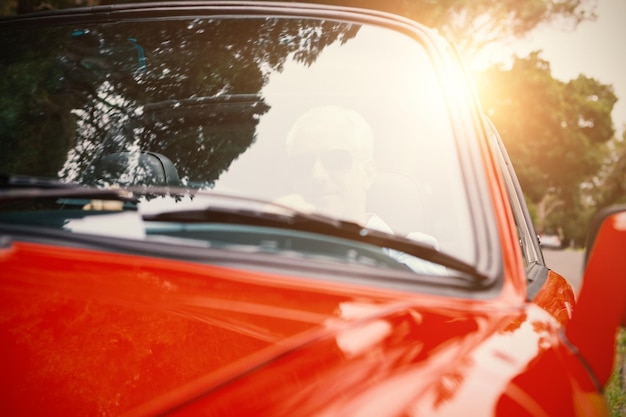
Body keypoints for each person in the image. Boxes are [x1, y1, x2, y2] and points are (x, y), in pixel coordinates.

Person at [277, 104, 446, 274]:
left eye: (336, 160)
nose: (317, 175)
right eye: (301, 163)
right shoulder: (266, 248)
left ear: (367, 173)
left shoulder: (414, 253)